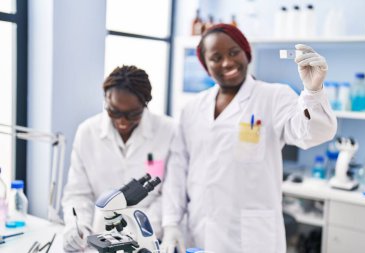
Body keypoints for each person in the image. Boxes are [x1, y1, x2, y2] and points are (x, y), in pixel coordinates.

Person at [160, 24, 337, 253]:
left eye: (234, 52)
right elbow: (178, 169)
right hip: (199, 228)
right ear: (206, 65)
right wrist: (171, 222)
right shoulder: (192, 108)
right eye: (216, 57)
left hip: (250, 238)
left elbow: (312, 133)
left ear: (246, 53)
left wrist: (313, 92)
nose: (227, 63)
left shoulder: (274, 96)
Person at [61, 65, 176, 252]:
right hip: (100, 237)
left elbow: (171, 194)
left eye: (133, 114)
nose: (122, 121)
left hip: (150, 236)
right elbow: (78, 193)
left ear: (145, 104)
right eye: (114, 111)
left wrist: (140, 230)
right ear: (105, 99)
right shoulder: (87, 132)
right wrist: (78, 227)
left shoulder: (168, 130)